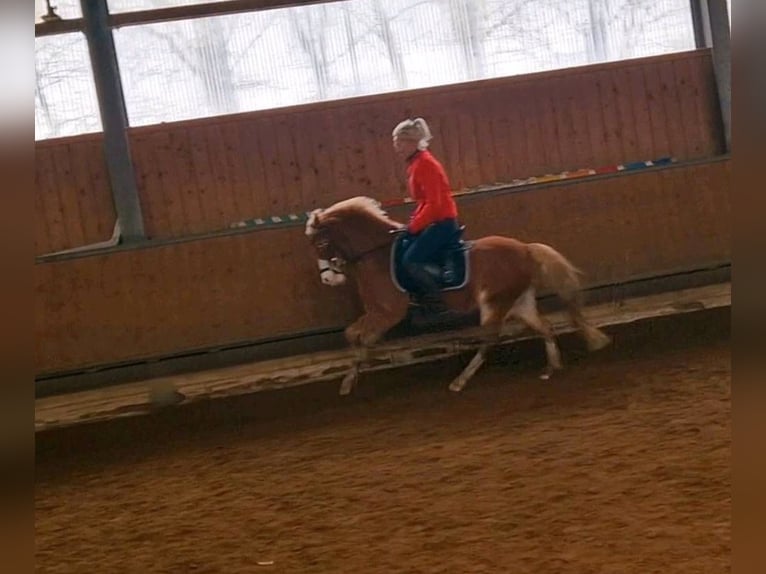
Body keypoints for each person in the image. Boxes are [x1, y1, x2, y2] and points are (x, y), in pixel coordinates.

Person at [391, 117, 460, 318]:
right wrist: (411, 224)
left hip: (443, 222)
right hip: (432, 220)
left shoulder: (426, 164)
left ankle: (438, 303)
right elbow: (423, 202)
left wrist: (414, 227)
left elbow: (434, 204)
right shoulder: (415, 164)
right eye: (395, 142)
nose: (397, 147)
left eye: (399, 142)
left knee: (411, 260)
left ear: (412, 142)